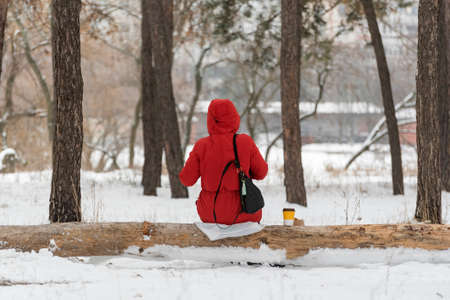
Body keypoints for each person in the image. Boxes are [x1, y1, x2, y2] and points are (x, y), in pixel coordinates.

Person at [179, 99, 268, 225]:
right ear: (234, 117)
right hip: (245, 212)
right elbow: (261, 173)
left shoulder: (201, 145)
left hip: (211, 214)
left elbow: (186, 180)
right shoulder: (245, 142)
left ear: (211, 120)